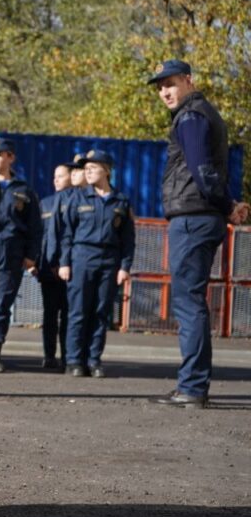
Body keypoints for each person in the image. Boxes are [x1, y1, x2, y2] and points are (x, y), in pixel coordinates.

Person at [145, 59, 249, 407]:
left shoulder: (191, 116)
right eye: (160, 87)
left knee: (189, 302)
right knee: (192, 301)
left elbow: (202, 170)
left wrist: (225, 205)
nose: (164, 92)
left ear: (188, 80)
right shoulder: (200, 114)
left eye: (170, 84)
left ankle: (191, 387)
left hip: (192, 219)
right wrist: (227, 205)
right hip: (200, 216)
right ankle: (192, 384)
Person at [58, 150, 135, 378]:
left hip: (109, 261)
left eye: (93, 168)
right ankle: (74, 361)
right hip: (82, 257)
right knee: (78, 312)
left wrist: (124, 267)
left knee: (101, 313)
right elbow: (67, 234)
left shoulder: (121, 201)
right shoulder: (78, 198)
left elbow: (128, 239)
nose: (88, 172)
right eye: (86, 168)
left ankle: (93, 360)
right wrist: (64, 263)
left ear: (107, 171)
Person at [0, 138, 42, 373]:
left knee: (2, 303)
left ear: (11, 157)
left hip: (11, 249)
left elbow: (35, 227)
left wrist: (30, 255)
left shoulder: (23, 190)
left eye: (0, 154)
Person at [37, 163, 71, 370]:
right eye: (54, 176)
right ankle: (49, 355)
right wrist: (37, 263)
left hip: (69, 269)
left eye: (60, 176)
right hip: (48, 268)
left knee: (68, 315)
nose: (55, 180)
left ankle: (67, 356)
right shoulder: (46, 203)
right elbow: (40, 235)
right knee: (50, 315)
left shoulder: (76, 201)